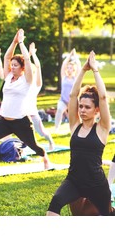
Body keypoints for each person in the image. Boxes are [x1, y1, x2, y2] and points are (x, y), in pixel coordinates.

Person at [46, 51, 112, 216]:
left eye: (87, 107)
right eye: (80, 106)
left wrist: (95, 70)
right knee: (53, 207)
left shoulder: (102, 127)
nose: (82, 110)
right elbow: (73, 95)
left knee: (107, 218)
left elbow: (103, 97)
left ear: (96, 110)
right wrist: (82, 70)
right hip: (73, 181)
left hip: (97, 184)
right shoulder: (75, 125)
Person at [0, 29, 50, 174]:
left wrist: (22, 43)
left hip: (21, 122)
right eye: (11, 65)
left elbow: (27, 59)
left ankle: (45, 158)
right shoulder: (8, 77)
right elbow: (7, 57)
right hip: (5, 121)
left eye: (15, 65)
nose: (12, 67)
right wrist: (14, 41)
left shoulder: (27, 80)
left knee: (33, 146)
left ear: (23, 67)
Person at [26, 42, 55, 150]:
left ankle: (51, 142)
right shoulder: (23, 83)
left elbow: (38, 67)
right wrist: (28, 54)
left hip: (32, 114)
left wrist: (33, 54)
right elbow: (23, 63)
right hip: (21, 114)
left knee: (41, 132)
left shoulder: (36, 85)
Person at [54, 48, 81, 133]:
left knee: (74, 117)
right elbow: (63, 65)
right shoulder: (64, 77)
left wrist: (75, 56)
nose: (69, 69)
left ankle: (76, 130)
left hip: (73, 101)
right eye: (68, 68)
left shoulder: (75, 78)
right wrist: (69, 56)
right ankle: (56, 128)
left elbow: (79, 66)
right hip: (63, 100)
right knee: (59, 111)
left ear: (73, 70)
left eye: (71, 68)